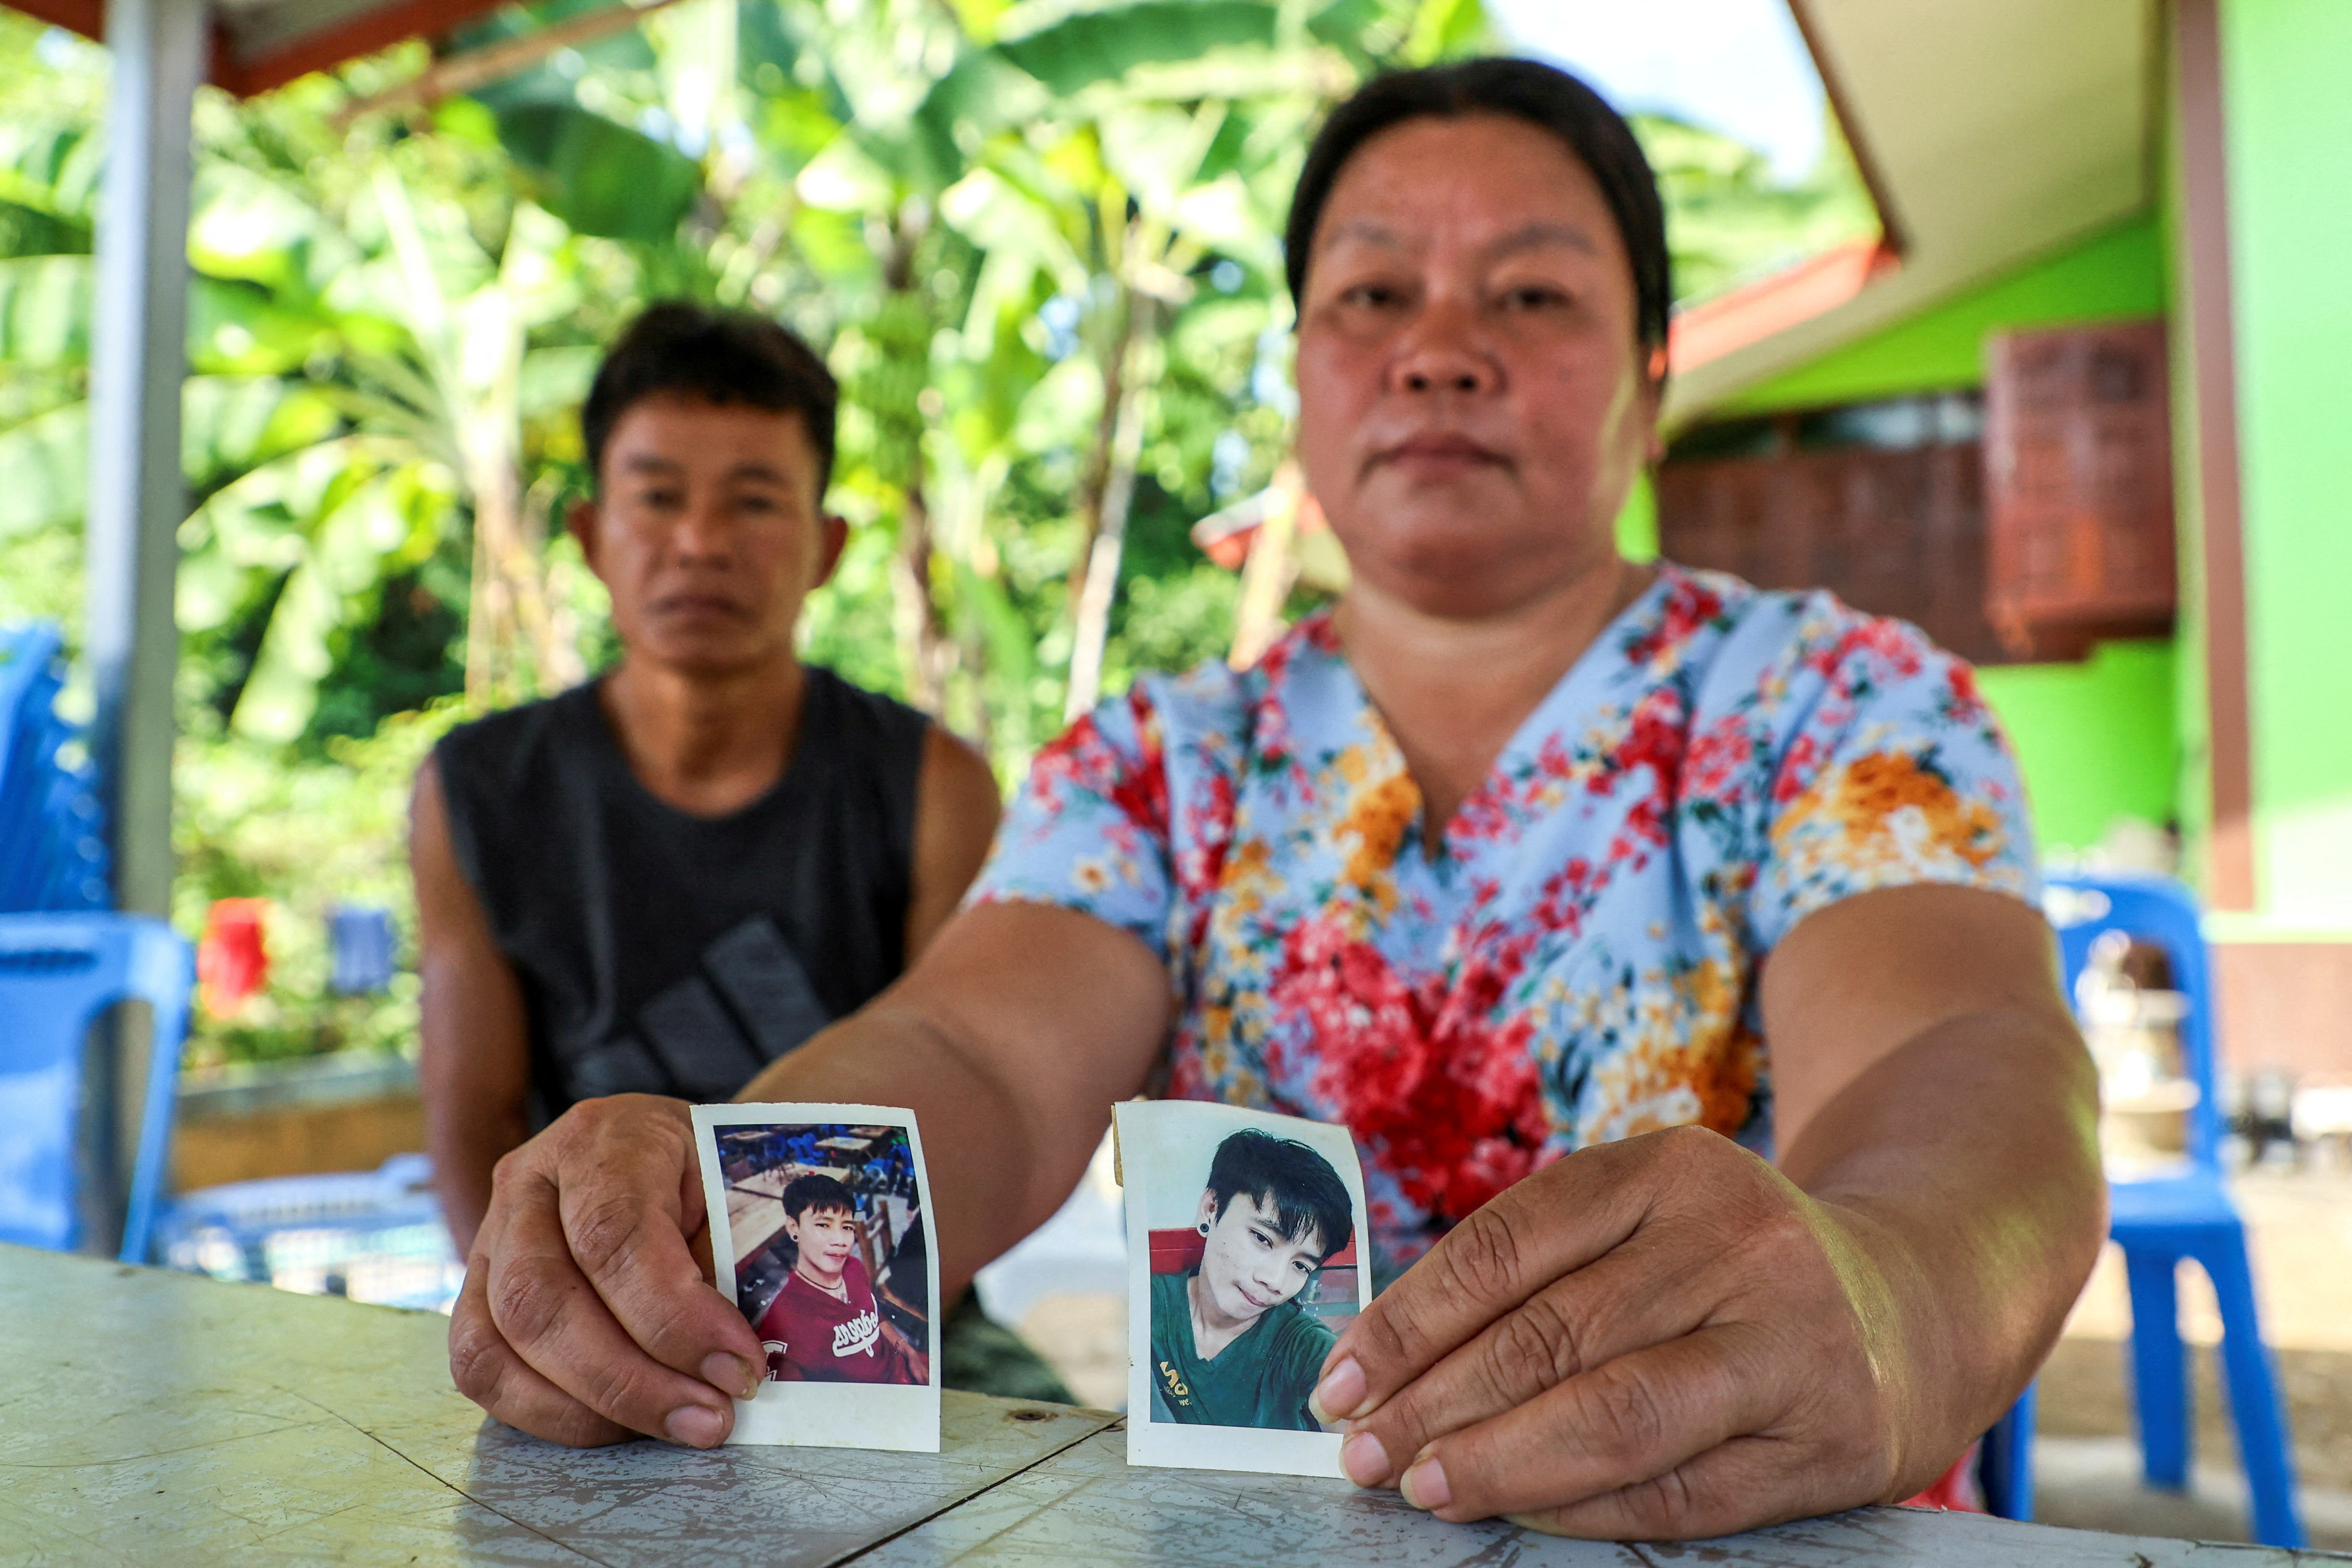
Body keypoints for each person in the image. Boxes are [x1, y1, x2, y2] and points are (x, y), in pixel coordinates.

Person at [445, 58, 2104, 1544]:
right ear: (1299, 373)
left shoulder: (1840, 706)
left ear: (1649, 378)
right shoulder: (1159, 762)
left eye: (1529, 299)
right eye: (1370, 295)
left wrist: (1886, 1295)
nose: (1440, 351)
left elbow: (1953, 1058)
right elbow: (974, 1054)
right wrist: (717, 1186)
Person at [409, 303, 1066, 1401]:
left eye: (755, 501)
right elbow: (472, 1117)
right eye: (658, 497)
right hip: (596, 1308)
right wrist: (560, 1320)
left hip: (886, 1317)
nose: (702, 541)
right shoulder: (474, 791)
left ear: (828, 546)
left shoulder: (932, 783)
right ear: (589, 534)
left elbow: (976, 1084)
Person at [1150, 1129, 1355, 1431]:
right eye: (1262, 1238)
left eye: (1300, 1266)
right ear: (1211, 1209)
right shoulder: (1150, 1302)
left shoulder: (1305, 1348)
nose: (1274, 1281)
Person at [753, 1174, 928, 1385]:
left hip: (905, 1368)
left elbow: (874, 1317)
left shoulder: (854, 1268)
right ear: (794, 1228)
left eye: (846, 1227)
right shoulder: (784, 1322)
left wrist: (907, 1350)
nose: (840, 1241)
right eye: (823, 1225)